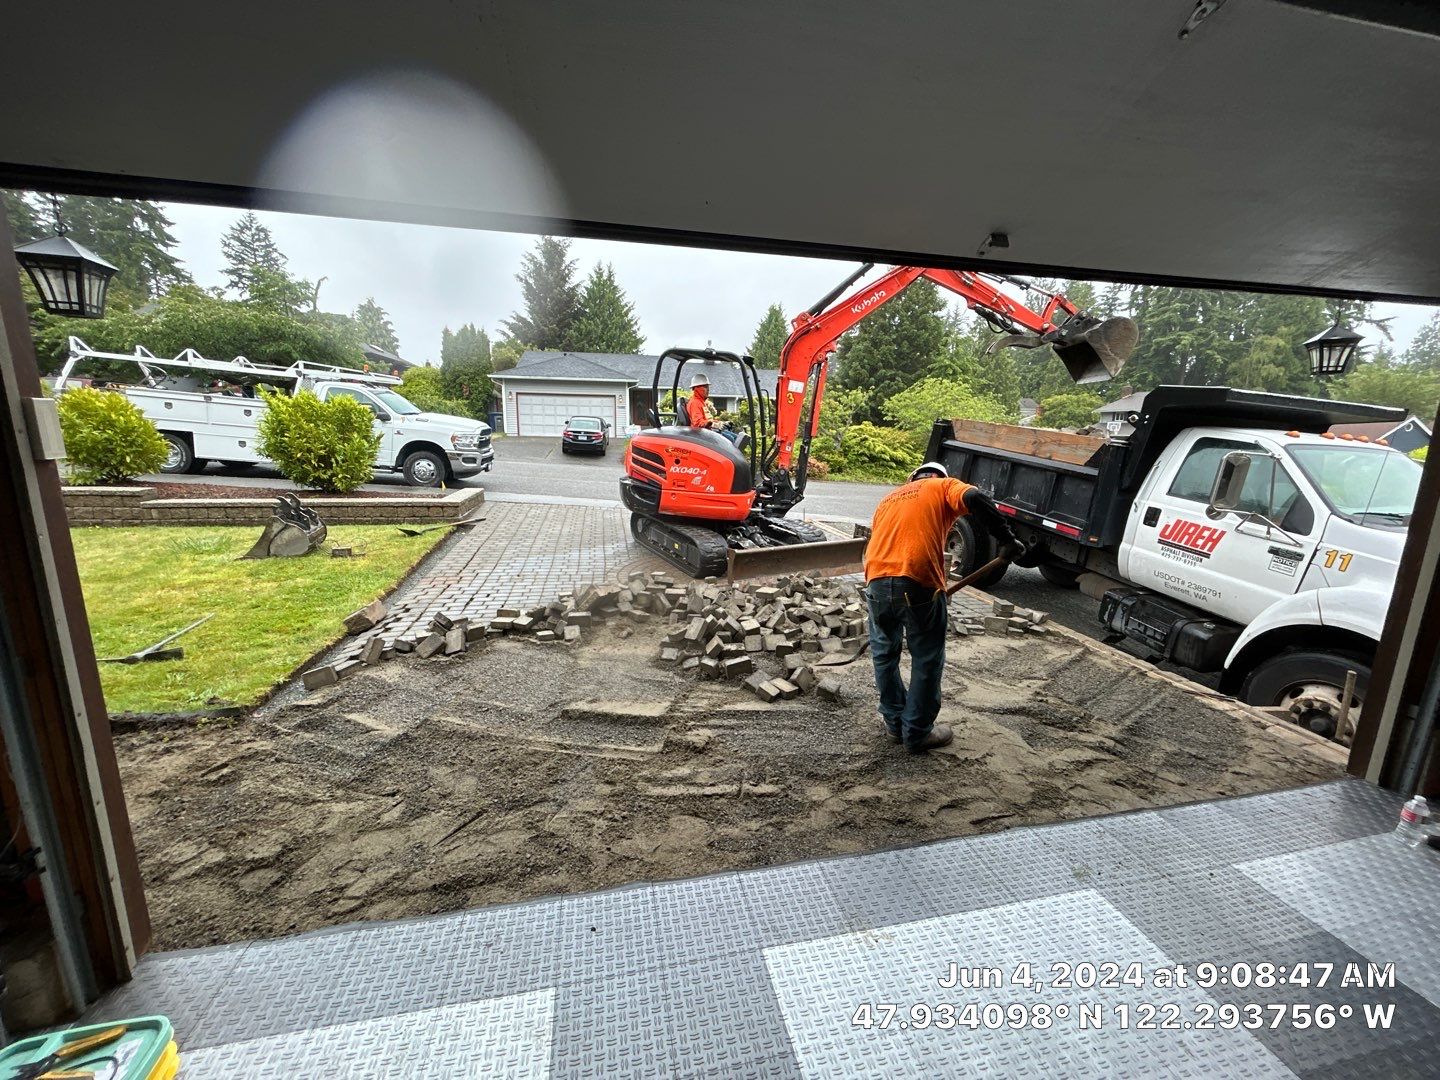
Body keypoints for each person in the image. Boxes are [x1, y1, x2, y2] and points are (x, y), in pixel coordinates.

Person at [863, 461, 1026, 753]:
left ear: (912, 478)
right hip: (916, 581)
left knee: (884, 654)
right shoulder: (942, 486)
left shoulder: (889, 498)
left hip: (875, 581)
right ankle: (917, 732)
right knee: (926, 657)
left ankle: (894, 724)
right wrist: (1007, 540)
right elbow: (975, 498)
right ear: (939, 477)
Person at [684, 373, 739, 444]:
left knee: (736, 437)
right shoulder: (694, 403)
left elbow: (708, 420)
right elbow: (698, 423)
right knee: (731, 440)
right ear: (697, 388)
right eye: (705, 387)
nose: (708, 390)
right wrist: (712, 424)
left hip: (709, 431)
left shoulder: (701, 402)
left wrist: (720, 423)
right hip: (702, 434)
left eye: (708, 387)